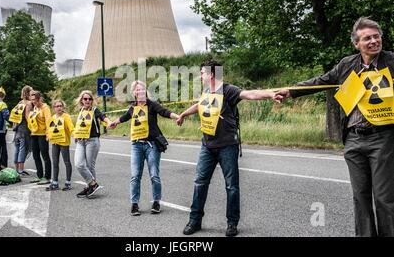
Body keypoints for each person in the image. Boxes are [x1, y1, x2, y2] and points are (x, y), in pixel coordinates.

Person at [275, 17, 394, 237]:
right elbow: (321, 81)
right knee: (360, 197)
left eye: (377, 36)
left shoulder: (392, 62)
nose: (374, 41)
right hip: (354, 139)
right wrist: (291, 90)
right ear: (356, 43)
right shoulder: (347, 65)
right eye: (367, 38)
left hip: (383, 137)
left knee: (385, 198)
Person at [176, 60, 280, 237]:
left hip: (227, 147)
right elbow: (200, 104)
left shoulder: (229, 90)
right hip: (207, 145)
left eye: (202, 73)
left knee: (232, 186)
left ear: (212, 75)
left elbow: (250, 94)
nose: (200, 76)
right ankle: (195, 221)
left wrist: (270, 95)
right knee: (200, 183)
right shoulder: (207, 91)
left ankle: (232, 223)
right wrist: (184, 114)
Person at [109, 81, 179, 216]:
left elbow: (164, 112)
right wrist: (114, 123)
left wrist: (178, 116)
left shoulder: (152, 105)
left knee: (154, 175)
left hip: (151, 145)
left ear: (145, 91)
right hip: (136, 145)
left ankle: (156, 202)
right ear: (134, 93)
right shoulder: (133, 108)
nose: (140, 92)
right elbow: (124, 117)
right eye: (137, 90)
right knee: (135, 176)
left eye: (142, 89)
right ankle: (134, 204)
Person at [73, 90, 112, 199]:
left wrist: (109, 122)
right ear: (81, 100)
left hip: (92, 141)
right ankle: (93, 184)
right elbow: (79, 125)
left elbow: (103, 117)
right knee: (79, 164)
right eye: (85, 99)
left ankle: (89, 187)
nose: (88, 101)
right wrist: (76, 134)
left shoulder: (95, 110)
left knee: (90, 166)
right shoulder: (81, 111)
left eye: (90, 99)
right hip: (81, 141)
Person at [46, 100, 74, 191]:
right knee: (55, 162)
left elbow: (71, 128)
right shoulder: (52, 118)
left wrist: (75, 134)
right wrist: (48, 136)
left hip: (64, 142)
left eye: (60, 106)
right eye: (57, 106)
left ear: (63, 107)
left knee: (67, 162)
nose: (59, 108)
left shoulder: (66, 117)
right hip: (55, 143)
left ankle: (68, 182)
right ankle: (55, 183)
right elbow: (49, 129)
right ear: (54, 108)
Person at [27, 90, 52, 185]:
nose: (33, 102)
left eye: (35, 100)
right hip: (34, 134)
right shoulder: (35, 108)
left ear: (39, 98)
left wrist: (48, 134)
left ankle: (47, 177)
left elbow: (48, 121)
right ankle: (40, 176)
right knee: (35, 156)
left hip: (42, 135)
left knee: (45, 155)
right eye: (32, 100)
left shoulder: (45, 107)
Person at [10, 85, 33, 176]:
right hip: (24, 128)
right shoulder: (29, 103)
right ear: (28, 93)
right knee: (23, 148)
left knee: (17, 148)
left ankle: (16, 168)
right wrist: (32, 128)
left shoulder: (19, 103)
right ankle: (21, 169)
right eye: (31, 91)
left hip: (17, 128)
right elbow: (27, 116)